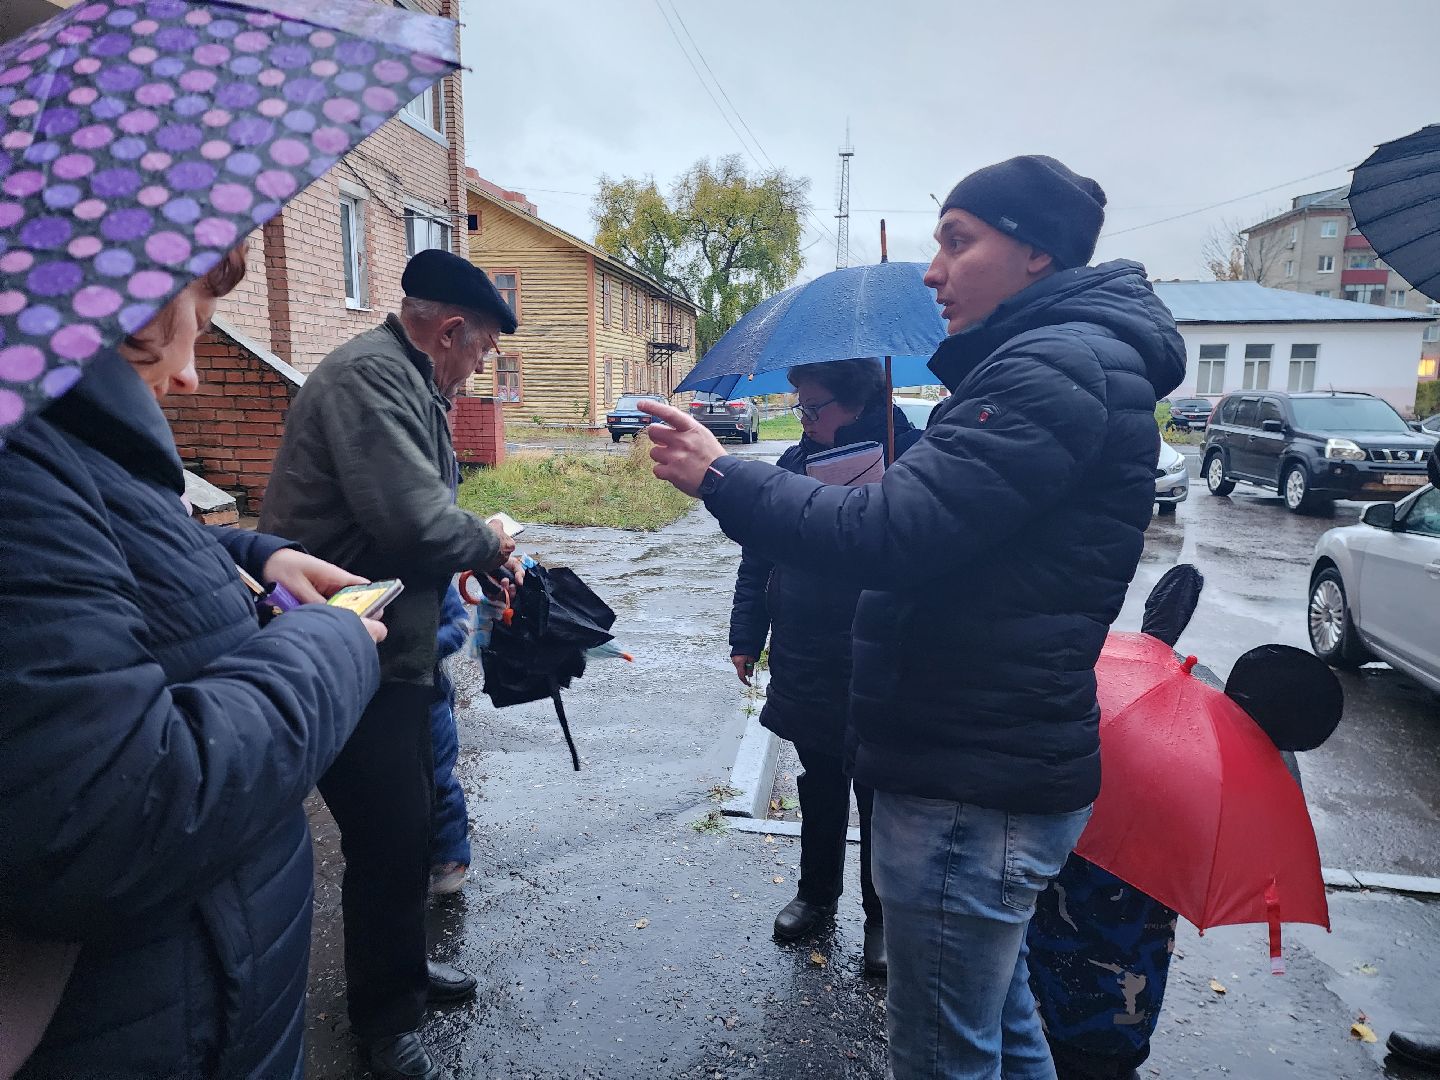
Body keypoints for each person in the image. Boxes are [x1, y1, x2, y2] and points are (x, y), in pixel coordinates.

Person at [640, 155, 1187, 1078]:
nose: (935, 269)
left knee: (944, 1054)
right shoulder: (1061, 361)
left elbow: (891, 531)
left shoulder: (1053, 367)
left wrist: (720, 472)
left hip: (969, 779)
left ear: (1037, 254)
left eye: (959, 240)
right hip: (982, 762)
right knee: (1003, 1031)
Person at [0, 246, 385, 1079]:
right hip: (147, 1030)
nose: (190, 377)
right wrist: (336, 643)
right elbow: (116, 808)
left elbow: (120, 551)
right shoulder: (21, 465)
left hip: (202, 1003)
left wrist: (258, 555)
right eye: (197, 329)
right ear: (126, 299)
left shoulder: (64, 447)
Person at [259, 249, 519, 1080]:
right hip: (345, 649)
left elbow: (421, 511)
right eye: (479, 351)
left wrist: (463, 553)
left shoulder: (411, 377)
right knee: (385, 837)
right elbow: (414, 522)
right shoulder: (372, 379)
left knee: (409, 827)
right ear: (448, 331)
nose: (479, 370)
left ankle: (401, 971)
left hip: (391, 648)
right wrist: (489, 542)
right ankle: (384, 1024)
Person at [728, 359, 920, 976]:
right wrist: (746, 635)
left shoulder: (913, 457)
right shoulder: (791, 466)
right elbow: (759, 555)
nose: (805, 420)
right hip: (806, 649)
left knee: (878, 790)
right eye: (800, 408)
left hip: (882, 651)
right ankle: (817, 895)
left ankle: (882, 917)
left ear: (859, 401)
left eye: (816, 407)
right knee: (820, 776)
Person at [429, 582, 473, 895]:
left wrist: (417, 647)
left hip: (428, 695)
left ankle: (450, 855)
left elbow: (458, 626)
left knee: (438, 777)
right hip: (372, 695)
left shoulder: (433, 574)